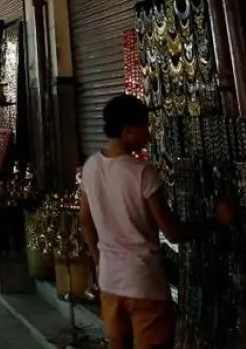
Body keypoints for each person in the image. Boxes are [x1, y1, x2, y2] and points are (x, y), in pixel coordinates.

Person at [79, 94, 233, 349]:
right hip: (143, 283)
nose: (148, 136)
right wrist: (217, 220)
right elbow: (172, 232)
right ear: (128, 129)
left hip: (109, 281)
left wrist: (98, 260)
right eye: (144, 127)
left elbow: (85, 221)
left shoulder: (91, 166)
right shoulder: (142, 173)